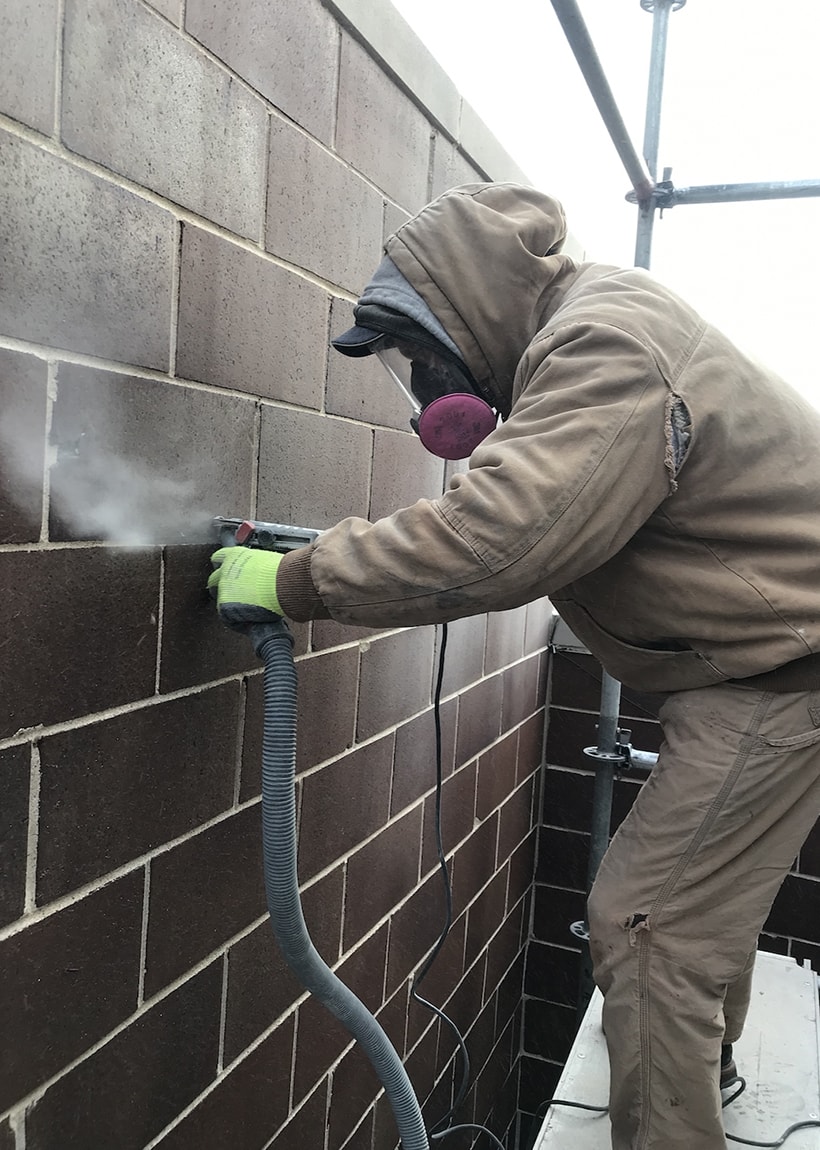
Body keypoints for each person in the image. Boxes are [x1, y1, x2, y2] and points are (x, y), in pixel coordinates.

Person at [208, 182, 820, 1150]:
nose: (421, 386)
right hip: (755, 665)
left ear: (467, 315)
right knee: (696, 899)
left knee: (649, 926)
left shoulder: (604, 343)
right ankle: (710, 1065)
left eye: (419, 355)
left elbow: (502, 541)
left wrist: (297, 579)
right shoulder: (599, 323)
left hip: (779, 678)